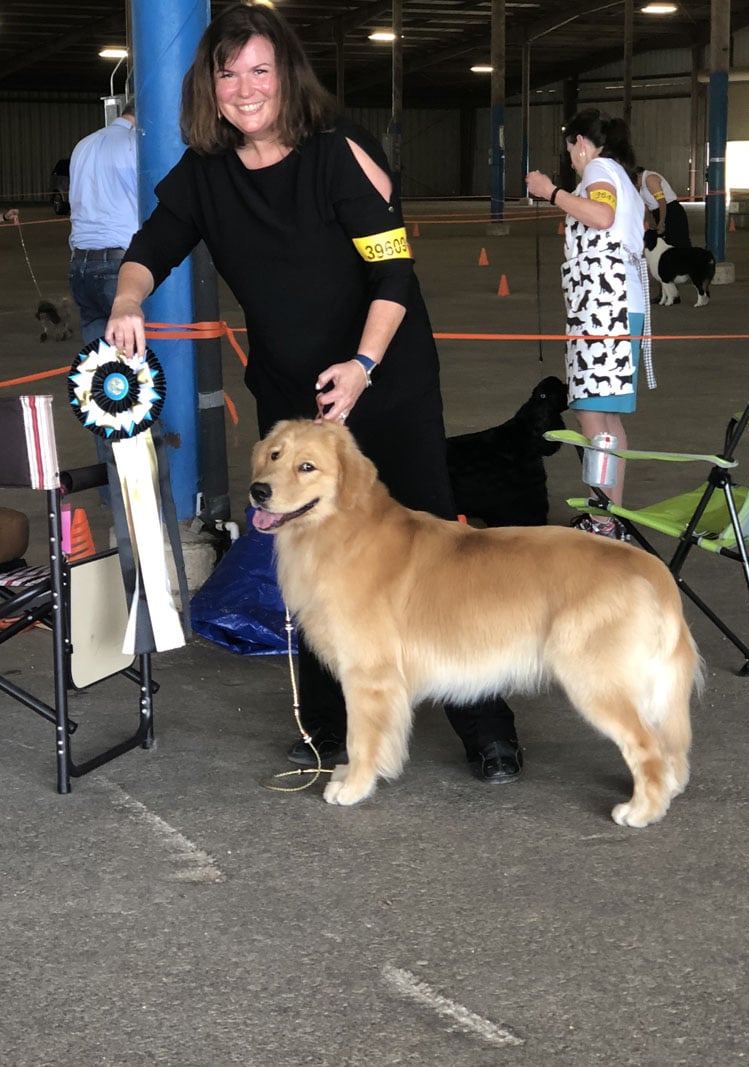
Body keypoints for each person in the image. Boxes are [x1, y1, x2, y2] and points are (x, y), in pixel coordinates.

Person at [105, 1, 522, 784]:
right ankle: (331, 727)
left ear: (286, 75)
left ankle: (485, 722)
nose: (244, 87)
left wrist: (362, 366)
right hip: (294, 400)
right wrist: (129, 300)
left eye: (259, 69)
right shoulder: (205, 174)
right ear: (209, 87)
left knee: (433, 546)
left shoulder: (340, 154)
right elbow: (149, 248)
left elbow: (394, 271)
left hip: (383, 377)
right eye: (227, 73)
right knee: (311, 560)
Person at [526, 108, 654, 538]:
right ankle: (608, 513)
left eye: (570, 148)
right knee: (605, 417)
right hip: (611, 306)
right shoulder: (619, 174)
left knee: (592, 417)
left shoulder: (599, 168)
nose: (570, 156)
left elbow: (601, 217)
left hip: (606, 308)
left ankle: (603, 520)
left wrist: (550, 192)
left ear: (580, 142)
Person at [68, 99, 138, 344]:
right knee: (136, 361)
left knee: (98, 363)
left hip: (80, 264)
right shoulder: (136, 145)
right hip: (121, 266)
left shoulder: (83, 145)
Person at [635, 166, 691, 248]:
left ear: (637, 175)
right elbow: (646, 207)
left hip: (671, 212)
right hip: (660, 213)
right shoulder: (642, 186)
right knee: (668, 245)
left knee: (679, 243)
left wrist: (662, 221)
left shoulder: (650, 179)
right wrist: (645, 222)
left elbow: (662, 202)